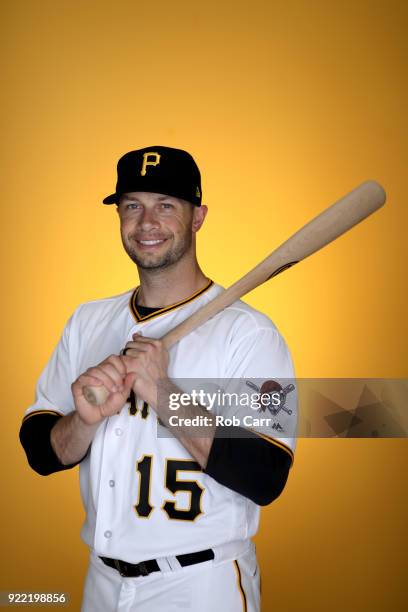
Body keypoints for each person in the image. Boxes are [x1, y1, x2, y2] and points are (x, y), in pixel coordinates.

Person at [19, 146, 297, 611]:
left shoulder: (249, 333)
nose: (146, 222)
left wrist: (163, 393)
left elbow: (266, 475)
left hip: (200, 585)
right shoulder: (86, 322)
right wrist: (84, 421)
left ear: (198, 216)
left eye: (165, 205)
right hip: (102, 583)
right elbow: (39, 451)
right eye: (132, 206)